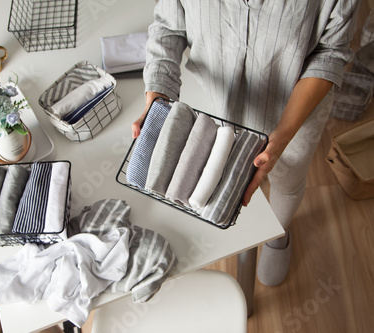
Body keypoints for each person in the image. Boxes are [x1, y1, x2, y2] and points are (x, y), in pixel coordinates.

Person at [132, 0, 360, 286]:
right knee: (217, 176)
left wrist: (285, 132)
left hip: (294, 110)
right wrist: (157, 98)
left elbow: (330, 53)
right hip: (215, 101)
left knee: (287, 181)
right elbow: (168, 27)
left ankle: (279, 233)